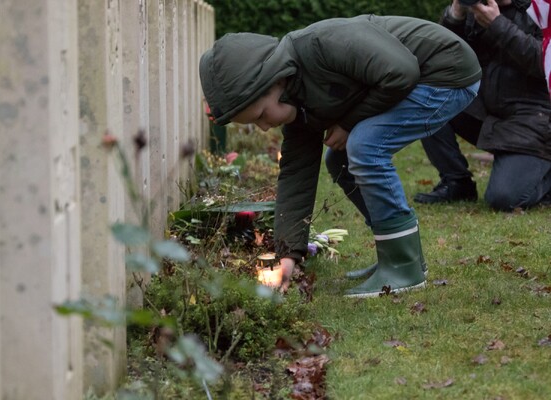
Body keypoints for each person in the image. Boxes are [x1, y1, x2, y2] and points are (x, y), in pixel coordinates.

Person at [199, 15, 481, 298]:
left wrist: (348, 124)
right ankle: (398, 255)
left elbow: (401, 71)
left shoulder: (321, 46)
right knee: (338, 159)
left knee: (364, 146)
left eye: (261, 115)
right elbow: (296, 175)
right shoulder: (297, 99)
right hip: (414, 78)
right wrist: (288, 255)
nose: (264, 126)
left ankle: (403, 266)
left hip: (445, 72)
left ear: (276, 80)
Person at [414, 0, 551, 209]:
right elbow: (440, 56)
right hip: (487, 110)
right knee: (425, 99)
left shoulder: (542, 7)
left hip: (533, 116)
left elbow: (543, 62)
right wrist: (455, 16)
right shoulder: (480, 7)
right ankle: (456, 182)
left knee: (504, 199)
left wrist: (497, 25)